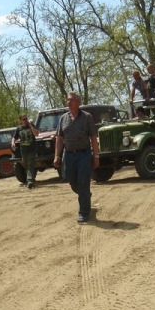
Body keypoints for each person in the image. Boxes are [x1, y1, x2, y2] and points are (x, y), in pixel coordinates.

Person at [53, 92, 100, 223]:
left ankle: (84, 212)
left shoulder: (87, 117)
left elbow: (93, 137)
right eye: (68, 100)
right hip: (68, 155)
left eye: (72, 100)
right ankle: (85, 194)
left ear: (79, 102)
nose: (69, 102)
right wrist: (57, 156)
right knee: (72, 181)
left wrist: (96, 156)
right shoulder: (63, 118)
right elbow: (59, 138)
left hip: (83, 154)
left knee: (83, 181)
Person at [12, 113, 39, 189]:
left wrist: (31, 126)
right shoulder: (19, 128)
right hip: (24, 150)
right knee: (26, 165)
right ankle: (32, 179)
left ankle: (29, 181)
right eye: (24, 119)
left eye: (26, 119)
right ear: (20, 120)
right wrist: (13, 142)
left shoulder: (31, 126)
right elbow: (14, 137)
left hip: (32, 149)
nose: (25, 120)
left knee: (30, 164)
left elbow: (36, 134)